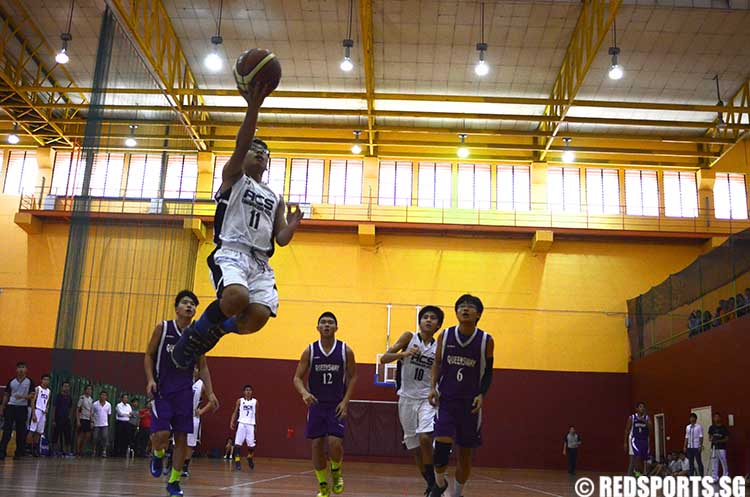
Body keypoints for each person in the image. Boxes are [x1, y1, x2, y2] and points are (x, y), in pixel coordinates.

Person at [170, 84, 303, 370]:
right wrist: (253, 106)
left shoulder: (275, 196)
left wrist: (292, 224)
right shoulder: (233, 177)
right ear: (242, 156)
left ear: (268, 164)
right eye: (254, 149)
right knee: (236, 297)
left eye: (264, 152)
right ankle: (194, 336)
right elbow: (242, 143)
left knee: (257, 317)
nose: (259, 153)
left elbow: (280, 239)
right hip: (231, 252)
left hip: (260, 262)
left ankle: (218, 329)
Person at [145, 290, 219, 497]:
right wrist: (150, 379)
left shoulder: (198, 335)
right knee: (161, 434)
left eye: (193, 304)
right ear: (177, 308)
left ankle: (174, 482)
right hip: (162, 389)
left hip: (184, 392)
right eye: (185, 303)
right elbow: (149, 355)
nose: (189, 307)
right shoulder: (163, 327)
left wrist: (211, 393)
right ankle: (158, 454)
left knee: (182, 438)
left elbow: (203, 367)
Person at [428, 295, 494, 497]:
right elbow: (437, 363)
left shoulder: (486, 340)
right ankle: (439, 484)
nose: (465, 309)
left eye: (470, 307)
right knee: (440, 449)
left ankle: (457, 493)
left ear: (479, 314)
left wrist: (482, 394)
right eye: (461, 306)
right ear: (456, 312)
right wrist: (432, 387)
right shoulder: (445, 336)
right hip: (446, 400)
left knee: (465, 456)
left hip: (470, 405)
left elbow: (488, 371)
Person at [380, 305, 444, 495]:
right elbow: (384, 358)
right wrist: (404, 354)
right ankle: (432, 484)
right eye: (425, 317)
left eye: (433, 318)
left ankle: (436, 484)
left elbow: (440, 370)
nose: (429, 320)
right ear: (420, 321)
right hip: (406, 398)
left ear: (438, 324)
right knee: (415, 449)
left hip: (427, 398)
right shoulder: (409, 337)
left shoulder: (439, 346)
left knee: (425, 438)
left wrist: (435, 389)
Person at [293, 312, 357, 497]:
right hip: (317, 405)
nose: (327, 325)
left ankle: (336, 472)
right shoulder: (310, 351)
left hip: (336, 404)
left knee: (334, 443)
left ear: (336, 327)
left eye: (330, 323)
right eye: (323, 322)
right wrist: (304, 393)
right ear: (318, 328)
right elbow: (297, 378)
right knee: (317, 445)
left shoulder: (346, 351)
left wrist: (346, 402)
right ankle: (322, 485)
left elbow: (353, 377)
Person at [0, 361, 34, 460]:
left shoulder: (29, 381)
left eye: (23, 367)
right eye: (19, 367)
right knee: (7, 430)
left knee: (20, 431)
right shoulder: (11, 381)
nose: (21, 369)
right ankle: (2, 451)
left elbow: (32, 395)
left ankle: (18, 452)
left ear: (26, 370)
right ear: (16, 370)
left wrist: (22, 397)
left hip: (22, 408)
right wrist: (2, 408)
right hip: (11, 407)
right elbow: (6, 395)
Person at [183, 366, 210, 477]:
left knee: (190, 443)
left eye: (196, 369)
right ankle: (172, 464)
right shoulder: (184, 380)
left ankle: (185, 467)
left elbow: (212, 401)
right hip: (181, 415)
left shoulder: (201, 384)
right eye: (192, 368)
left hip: (193, 418)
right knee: (177, 442)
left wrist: (202, 410)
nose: (194, 370)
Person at [230, 384, 258, 471]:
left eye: (250, 390)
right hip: (241, 423)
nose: (248, 391)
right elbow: (235, 412)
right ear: (244, 392)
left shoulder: (255, 402)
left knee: (251, 446)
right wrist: (232, 421)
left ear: (252, 392)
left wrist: (255, 425)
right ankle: (237, 462)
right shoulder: (240, 401)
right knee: (237, 444)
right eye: (246, 390)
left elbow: (256, 414)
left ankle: (249, 458)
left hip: (250, 424)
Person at [624, 402, 652, 476]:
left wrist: (644, 420)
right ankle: (630, 476)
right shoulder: (632, 418)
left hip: (644, 440)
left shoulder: (647, 418)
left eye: (643, 407)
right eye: (640, 407)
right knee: (634, 459)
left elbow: (650, 429)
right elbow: (627, 430)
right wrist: (625, 443)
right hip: (634, 440)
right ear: (637, 409)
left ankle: (639, 475)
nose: (642, 408)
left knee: (643, 460)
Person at [28, 373, 51, 457]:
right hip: (37, 410)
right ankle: (27, 448)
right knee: (32, 430)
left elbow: (48, 402)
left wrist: (47, 409)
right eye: (44, 379)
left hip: (43, 412)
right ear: (41, 380)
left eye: (47, 380)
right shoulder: (37, 389)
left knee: (39, 432)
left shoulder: (49, 391)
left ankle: (35, 449)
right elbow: (32, 402)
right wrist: (33, 413)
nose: (46, 381)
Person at [51, 380, 74, 456]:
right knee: (56, 434)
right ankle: (54, 451)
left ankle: (67, 451)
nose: (66, 388)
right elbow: (54, 408)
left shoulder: (69, 397)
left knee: (67, 435)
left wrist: (69, 417)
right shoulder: (58, 396)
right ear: (61, 387)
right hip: (58, 418)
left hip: (66, 419)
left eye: (67, 386)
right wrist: (54, 419)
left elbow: (70, 408)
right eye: (65, 386)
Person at [709, 412, 730, 479]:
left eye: (718, 417)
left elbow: (727, 439)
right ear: (713, 418)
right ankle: (714, 477)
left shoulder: (723, 428)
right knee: (714, 463)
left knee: (723, 462)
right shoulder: (711, 427)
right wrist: (711, 439)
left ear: (720, 418)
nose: (716, 418)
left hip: (721, 448)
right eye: (715, 417)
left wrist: (719, 441)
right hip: (714, 448)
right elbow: (709, 437)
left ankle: (725, 476)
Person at [92, 390, 111, 457]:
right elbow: (92, 414)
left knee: (105, 437)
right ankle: (94, 450)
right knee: (95, 437)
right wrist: (92, 422)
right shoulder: (95, 404)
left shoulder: (108, 405)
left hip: (105, 424)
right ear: (99, 396)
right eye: (102, 395)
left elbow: (108, 415)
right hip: (96, 423)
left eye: (104, 395)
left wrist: (107, 422)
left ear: (106, 397)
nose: (103, 396)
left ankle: (104, 451)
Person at [76, 384, 94, 456]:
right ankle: (77, 451)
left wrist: (91, 421)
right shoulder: (82, 398)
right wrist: (78, 420)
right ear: (85, 390)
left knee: (87, 435)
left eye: (90, 389)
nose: (89, 391)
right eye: (88, 389)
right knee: (80, 435)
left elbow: (91, 411)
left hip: (88, 419)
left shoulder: (91, 399)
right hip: (82, 418)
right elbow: (77, 409)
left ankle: (82, 450)